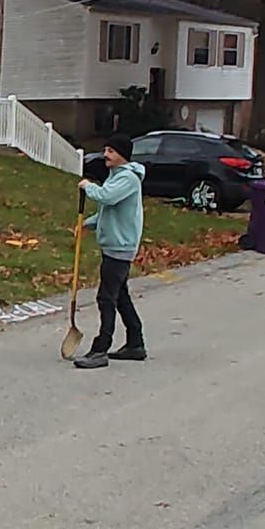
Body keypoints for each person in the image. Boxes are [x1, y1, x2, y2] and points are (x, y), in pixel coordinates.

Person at [74, 133, 147, 368]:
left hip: (120, 246)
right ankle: (136, 343)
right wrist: (88, 224)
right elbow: (109, 211)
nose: (106, 154)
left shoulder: (127, 179)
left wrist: (88, 186)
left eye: (111, 151)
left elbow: (106, 198)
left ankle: (100, 349)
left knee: (106, 298)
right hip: (115, 244)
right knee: (120, 295)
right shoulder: (117, 177)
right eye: (105, 149)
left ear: (122, 156)